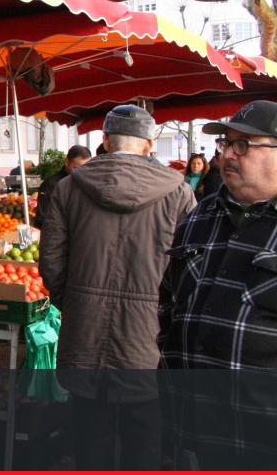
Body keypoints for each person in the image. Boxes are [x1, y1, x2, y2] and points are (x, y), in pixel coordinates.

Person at [39, 105, 194, 469]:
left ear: (105, 141)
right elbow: (189, 270)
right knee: (144, 440)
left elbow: (51, 261)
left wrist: (74, 302)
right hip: (148, 339)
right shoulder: (179, 193)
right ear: (150, 145)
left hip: (84, 332)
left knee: (91, 440)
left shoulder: (68, 188)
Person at [159, 100, 277, 469]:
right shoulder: (200, 216)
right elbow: (168, 303)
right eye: (225, 144)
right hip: (194, 429)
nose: (228, 155)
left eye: (243, 145)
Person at [35, 145, 92, 231]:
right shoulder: (50, 185)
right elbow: (43, 219)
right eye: (76, 168)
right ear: (67, 163)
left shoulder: (89, 184)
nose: (81, 172)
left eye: (85, 168)